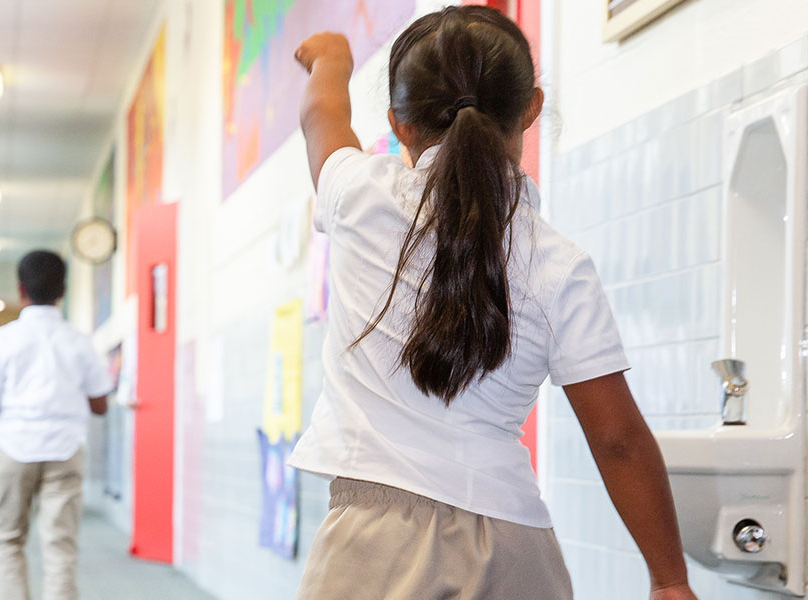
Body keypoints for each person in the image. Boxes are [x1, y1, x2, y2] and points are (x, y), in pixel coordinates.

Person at [288, 7, 696, 600]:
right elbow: (618, 439)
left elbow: (320, 114)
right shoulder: (559, 263)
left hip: (373, 546)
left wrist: (332, 58)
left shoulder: (359, 196)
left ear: (399, 125)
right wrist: (669, 580)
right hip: (512, 550)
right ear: (531, 107)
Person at [0, 250, 113, 600]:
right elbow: (100, 405)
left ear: (20, 290)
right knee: (60, 545)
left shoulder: (3, 338)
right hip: (64, 447)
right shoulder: (80, 342)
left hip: (14, 446)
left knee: (7, 540)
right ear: (62, 291)